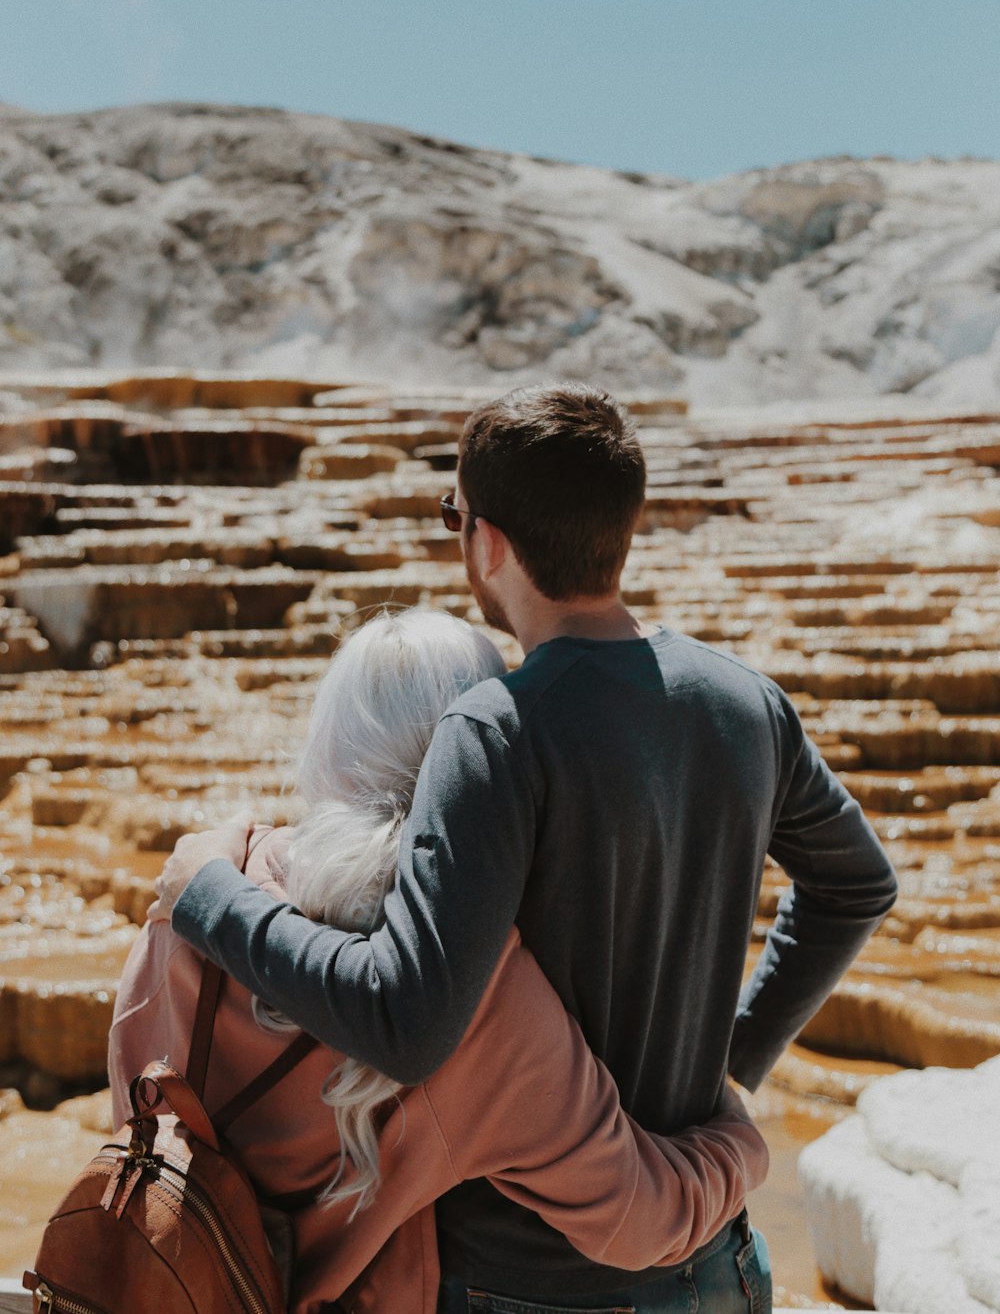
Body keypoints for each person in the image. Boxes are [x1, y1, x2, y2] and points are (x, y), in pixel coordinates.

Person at [153, 384, 898, 1314]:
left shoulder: (496, 730)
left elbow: (407, 1018)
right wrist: (734, 1057)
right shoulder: (743, 701)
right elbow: (858, 885)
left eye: (453, 514)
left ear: (488, 542)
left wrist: (211, 897)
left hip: (532, 1283)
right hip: (718, 1261)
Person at [115, 608, 768, 1314]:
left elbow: (133, 1115)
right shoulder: (479, 988)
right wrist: (740, 1138)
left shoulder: (197, 891)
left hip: (167, 1282)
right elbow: (641, 1221)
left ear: (327, 741)